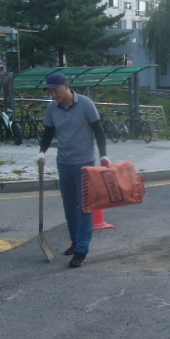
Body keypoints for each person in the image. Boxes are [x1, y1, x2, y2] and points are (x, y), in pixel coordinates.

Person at [36, 72, 110, 268]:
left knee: (85, 208)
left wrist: (103, 155)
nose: (53, 95)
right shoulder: (53, 108)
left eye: (56, 90)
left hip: (85, 163)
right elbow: (48, 133)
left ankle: (82, 250)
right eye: (50, 91)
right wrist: (42, 152)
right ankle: (75, 241)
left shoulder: (86, 104)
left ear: (67, 85)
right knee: (69, 208)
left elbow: (98, 131)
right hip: (64, 163)